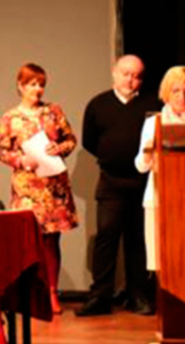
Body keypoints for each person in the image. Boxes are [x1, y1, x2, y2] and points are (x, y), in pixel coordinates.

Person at [76, 55, 160, 317]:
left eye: (136, 76)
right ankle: (100, 296)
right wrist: (113, 156)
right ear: (114, 73)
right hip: (111, 181)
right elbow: (89, 141)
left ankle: (138, 295)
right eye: (126, 74)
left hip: (142, 182)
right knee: (106, 237)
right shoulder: (98, 105)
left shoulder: (152, 105)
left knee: (138, 240)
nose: (131, 80)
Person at [0, 63, 78, 314]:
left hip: (53, 185)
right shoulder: (10, 117)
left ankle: (51, 293)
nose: (37, 89)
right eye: (32, 84)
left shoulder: (53, 112)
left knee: (52, 240)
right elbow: (0, 150)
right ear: (21, 86)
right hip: (27, 187)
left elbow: (70, 140)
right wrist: (20, 160)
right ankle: (29, 294)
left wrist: (59, 148)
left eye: (41, 84)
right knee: (29, 239)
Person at [135, 66, 185, 276]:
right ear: (166, 93)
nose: (181, 96)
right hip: (160, 199)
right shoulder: (153, 123)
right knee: (162, 261)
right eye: (176, 91)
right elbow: (140, 166)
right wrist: (148, 152)